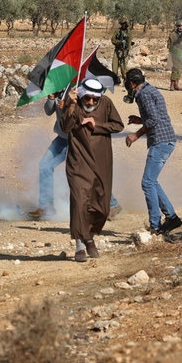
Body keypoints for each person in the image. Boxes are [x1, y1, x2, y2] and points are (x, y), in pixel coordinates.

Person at [28, 91, 123, 220]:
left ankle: (112, 205)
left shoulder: (79, 90)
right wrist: (51, 98)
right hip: (62, 139)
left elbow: (86, 113)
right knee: (45, 166)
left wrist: (68, 106)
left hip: (78, 138)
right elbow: (48, 111)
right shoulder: (57, 91)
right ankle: (46, 206)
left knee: (89, 172)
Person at [61, 79, 123, 262]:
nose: (90, 103)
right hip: (78, 163)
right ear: (81, 95)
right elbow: (65, 127)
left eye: (94, 100)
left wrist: (98, 125)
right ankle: (80, 244)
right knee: (80, 202)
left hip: (101, 163)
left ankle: (89, 237)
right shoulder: (74, 104)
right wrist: (70, 105)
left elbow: (118, 125)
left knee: (102, 207)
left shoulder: (106, 104)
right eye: (87, 98)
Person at [123, 68, 182, 235]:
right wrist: (140, 120)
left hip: (161, 141)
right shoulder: (149, 89)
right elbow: (154, 117)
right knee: (152, 181)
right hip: (165, 140)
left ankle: (155, 225)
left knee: (147, 183)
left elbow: (154, 120)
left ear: (132, 83)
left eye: (128, 83)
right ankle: (171, 217)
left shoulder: (143, 94)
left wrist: (136, 134)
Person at [167, 20, 182, 90]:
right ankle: (172, 85)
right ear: (177, 27)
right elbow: (174, 43)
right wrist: (181, 37)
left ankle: (176, 85)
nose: (180, 28)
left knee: (180, 69)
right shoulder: (173, 34)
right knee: (175, 69)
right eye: (179, 26)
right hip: (175, 53)